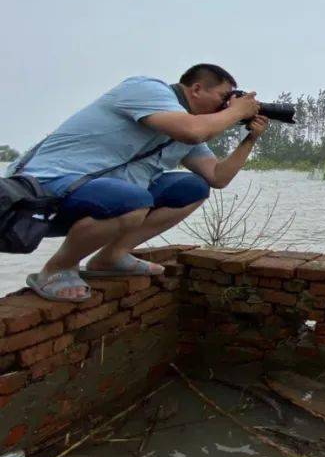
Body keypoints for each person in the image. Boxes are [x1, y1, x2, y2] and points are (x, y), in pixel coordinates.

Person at [10, 65, 267, 303]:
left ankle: (111, 257)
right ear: (197, 89)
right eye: (223, 97)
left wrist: (250, 140)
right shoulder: (146, 89)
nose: (226, 105)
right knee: (133, 200)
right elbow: (193, 130)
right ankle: (57, 269)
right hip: (45, 187)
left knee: (193, 188)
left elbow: (217, 177)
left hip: (104, 198)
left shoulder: (186, 129)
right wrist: (237, 112)